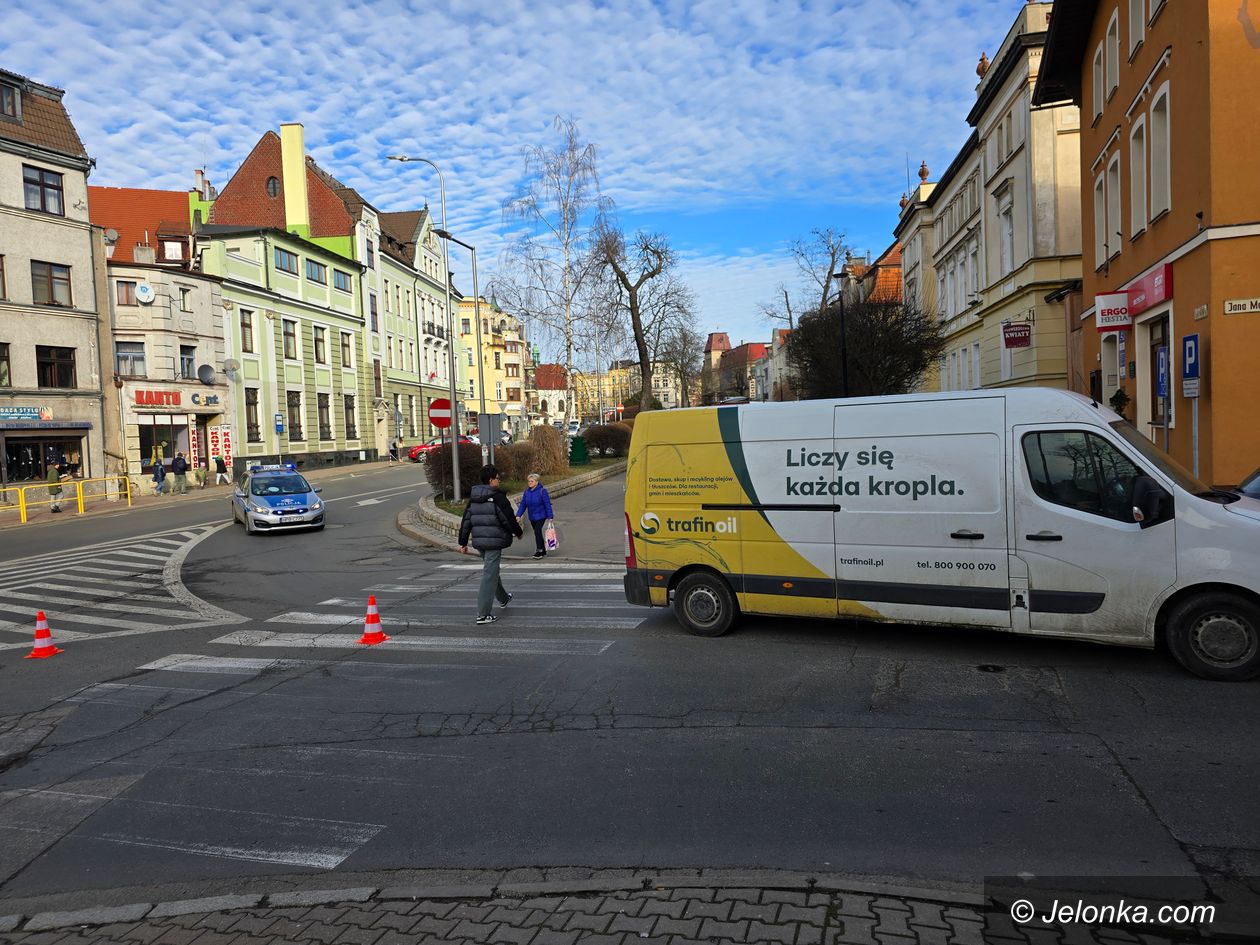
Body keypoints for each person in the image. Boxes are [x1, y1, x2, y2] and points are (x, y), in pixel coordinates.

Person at [457, 464, 524, 625]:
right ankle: (483, 613)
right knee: (489, 575)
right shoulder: (498, 497)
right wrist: (519, 532)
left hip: (480, 542)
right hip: (494, 541)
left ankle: (503, 598)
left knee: (492, 571)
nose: (499, 482)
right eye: (497, 478)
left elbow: (466, 520)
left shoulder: (474, 497)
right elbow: (507, 518)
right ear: (491, 480)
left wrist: (463, 542)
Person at [515, 472, 555, 558]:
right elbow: (523, 504)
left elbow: (547, 504)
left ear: (536, 482)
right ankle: (543, 551)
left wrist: (550, 516)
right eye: (528, 481)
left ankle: (539, 551)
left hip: (541, 516)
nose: (529, 483)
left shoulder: (542, 491)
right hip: (532, 517)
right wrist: (518, 515)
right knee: (538, 533)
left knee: (537, 531)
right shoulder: (527, 492)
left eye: (532, 481)